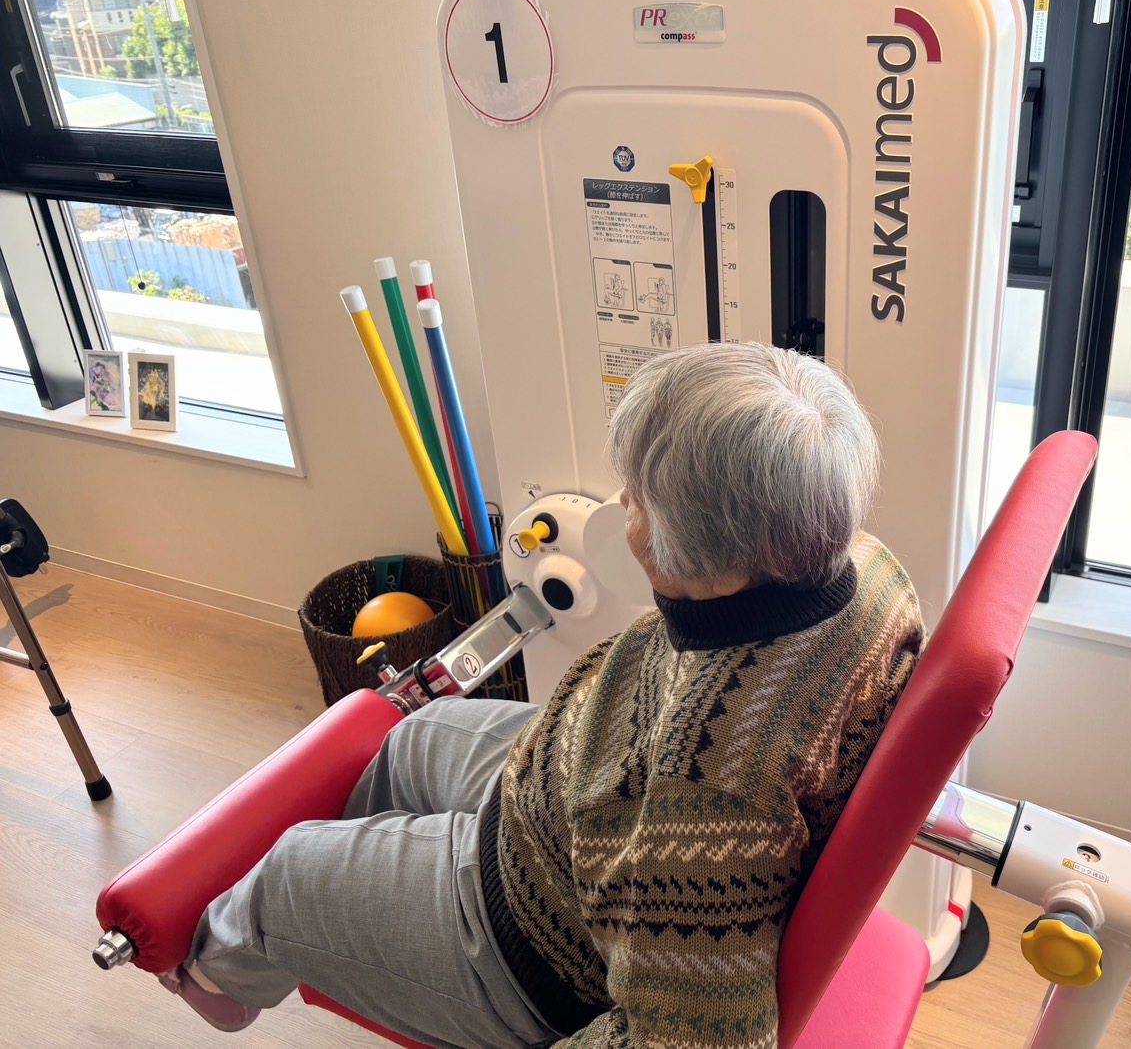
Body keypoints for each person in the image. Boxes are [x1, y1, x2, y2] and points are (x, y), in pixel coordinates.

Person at [156, 341, 925, 1049]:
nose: (621, 504)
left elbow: (687, 1041)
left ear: (704, 558)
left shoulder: (705, 791)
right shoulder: (866, 565)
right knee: (411, 736)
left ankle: (218, 973)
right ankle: (372, 899)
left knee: (284, 877)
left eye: (636, 501)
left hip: (527, 947)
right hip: (569, 789)